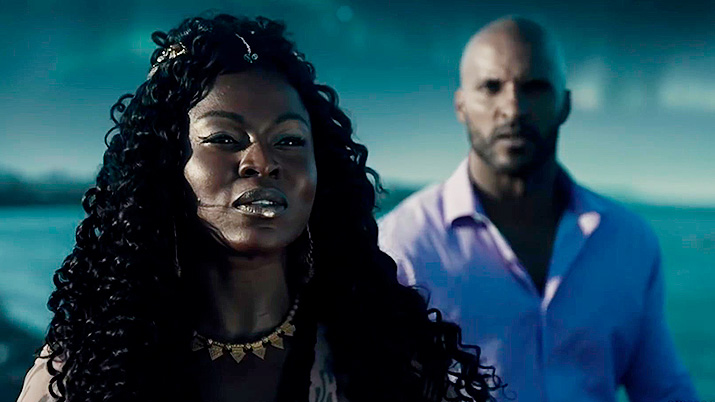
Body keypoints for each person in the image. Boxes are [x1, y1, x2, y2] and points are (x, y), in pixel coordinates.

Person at [15, 14, 502, 402]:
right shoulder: (82, 374)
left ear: (321, 174)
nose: (262, 162)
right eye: (224, 138)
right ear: (164, 169)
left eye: (289, 140)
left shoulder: (393, 359)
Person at [378, 16, 698, 402]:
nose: (513, 108)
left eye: (535, 87)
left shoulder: (629, 241)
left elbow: (664, 390)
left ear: (565, 103)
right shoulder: (402, 245)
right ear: (461, 105)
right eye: (491, 87)